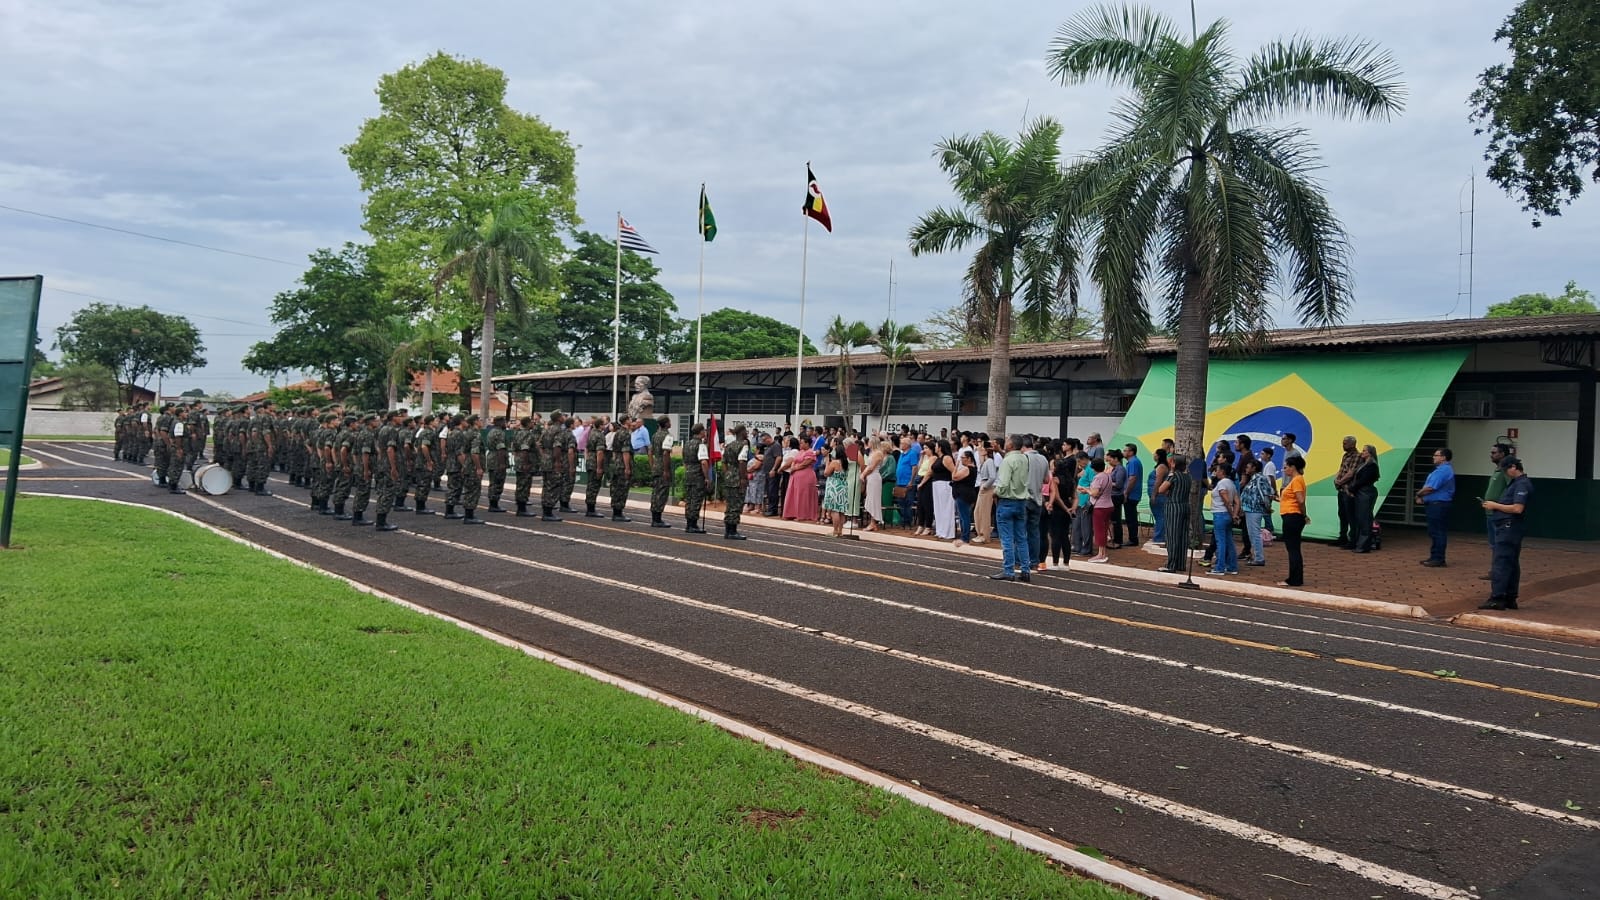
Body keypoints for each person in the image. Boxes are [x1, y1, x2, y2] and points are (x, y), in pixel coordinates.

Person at [1480, 457, 1532, 610]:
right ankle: (1510, 597)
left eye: (1506, 470)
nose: (1506, 474)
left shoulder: (1522, 484)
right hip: (1510, 527)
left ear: (1514, 467)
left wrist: (1494, 505)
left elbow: (1517, 508)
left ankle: (1497, 597)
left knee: (1501, 562)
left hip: (1509, 527)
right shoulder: (1516, 483)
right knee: (1511, 563)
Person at [989, 435, 1032, 582]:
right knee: (1021, 538)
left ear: (1011, 445)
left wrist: (995, 493)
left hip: (1007, 501)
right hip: (1021, 501)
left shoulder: (1008, 460)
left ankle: (1009, 570)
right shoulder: (1024, 459)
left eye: (1007, 441)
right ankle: (1025, 570)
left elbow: (1003, 483)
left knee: (1007, 538)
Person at [1416, 448, 1455, 567]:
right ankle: (1434, 556)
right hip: (1435, 504)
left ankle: (1438, 558)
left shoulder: (1443, 471)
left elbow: (1430, 488)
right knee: (1434, 532)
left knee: (1438, 532)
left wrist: (1418, 494)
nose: (1434, 457)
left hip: (1438, 504)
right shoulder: (1440, 470)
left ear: (1443, 457)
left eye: (1436, 455)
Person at [1481, 443, 1514, 578]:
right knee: (1493, 544)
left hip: (1499, 513)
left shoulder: (1506, 471)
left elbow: (1511, 489)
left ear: (1503, 454)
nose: (1491, 455)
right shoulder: (1497, 470)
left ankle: (1500, 571)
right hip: (1490, 513)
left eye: (1494, 453)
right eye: (1491, 452)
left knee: (1499, 544)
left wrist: (1500, 505)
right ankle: (1496, 570)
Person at [1158, 454, 1193, 574]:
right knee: (1182, 536)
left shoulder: (1174, 475)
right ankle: (1180, 564)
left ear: (1174, 463)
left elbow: (1161, 489)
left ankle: (1171, 565)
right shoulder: (1187, 476)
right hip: (1185, 506)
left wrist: (1171, 472)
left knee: (1172, 536)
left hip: (1174, 506)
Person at [1277, 456, 1309, 587]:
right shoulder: (1296, 480)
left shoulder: (1296, 480)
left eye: (1286, 467)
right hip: (1291, 515)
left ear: (1293, 467)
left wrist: (1304, 514)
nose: (1284, 470)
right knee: (1293, 548)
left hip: (1292, 516)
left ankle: (1294, 579)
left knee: (1293, 549)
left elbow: (1300, 500)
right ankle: (1295, 577)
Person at [539, 411, 575, 521]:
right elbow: (557, 447)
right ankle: (548, 513)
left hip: (546, 460)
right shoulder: (559, 430)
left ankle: (546, 510)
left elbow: (539, 444)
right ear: (558, 418)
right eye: (562, 416)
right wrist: (557, 462)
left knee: (546, 486)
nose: (564, 417)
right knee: (553, 486)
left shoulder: (547, 429)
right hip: (554, 461)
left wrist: (545, 456)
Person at [1238, 457, 1273, 566]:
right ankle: (1257, 555)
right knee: (1252, 533)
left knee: (1255, 533)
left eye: (1248, 467)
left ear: (1254, 468)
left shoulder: (1260, 478)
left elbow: (1267, 493)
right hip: (1250, 509)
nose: (1246, 469)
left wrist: (1267, 506)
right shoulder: (1253, 478)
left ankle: (1259, 557)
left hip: (1255, 509)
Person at [1207, 461, 1240, 575]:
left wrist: (1232, 513)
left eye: (1217, 470)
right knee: (1229, 541)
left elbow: (1227, 501)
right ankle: (1232, 566)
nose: (1216, 472)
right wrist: (1234, 515)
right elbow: (1237, 501)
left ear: (1222, 471)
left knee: (1220, 541)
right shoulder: (1231, 483)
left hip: (1220, 514)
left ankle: (1219, 567)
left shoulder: (1222, 484)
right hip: (1227, 515)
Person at [720, 425, 752, 539]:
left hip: (729, 477)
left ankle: (728, 530)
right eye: (745, 431)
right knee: (736, 505)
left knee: (729, 504)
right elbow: (742, 462)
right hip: (738, 477)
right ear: (742, 432)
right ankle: (733, 531)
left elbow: (723, 462)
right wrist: (743, 478)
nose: (746, 433)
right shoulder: (744, 445)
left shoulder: (729, 446)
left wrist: (727, 473)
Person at [1349, 444, 1380, 552]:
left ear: (1369, 453)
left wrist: (1352, 488)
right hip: (1361, 492)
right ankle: (1360, 543)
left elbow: (1363, 480)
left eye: (1364, 451)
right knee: (1360, 517)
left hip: (1366, 492)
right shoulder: (1364, 464)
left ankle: (1364, 545)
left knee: (1365, 518)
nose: (1362, 452)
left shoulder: (1371, 465)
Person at [782, 437, 819, 522]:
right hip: (795, 476)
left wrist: (795, 468)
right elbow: (794, 461)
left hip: (806, 475)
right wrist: (792, 467)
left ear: (807, 443)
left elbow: (805, 463)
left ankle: (802, 515)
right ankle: (791, 513)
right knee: (793, 494)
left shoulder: (810, 452)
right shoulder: (800, 452)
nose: (800, 444)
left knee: (802, 495)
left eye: (802, 443)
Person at [1333, 435, 1360, 548]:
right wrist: (1336, 479)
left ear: (1352, 444)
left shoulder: (1357, 456)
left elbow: (1351, 473)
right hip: (1341, 490)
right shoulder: (1345, 456)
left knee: (1350, 515)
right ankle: (1342, 537)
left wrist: (1340, 481)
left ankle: (1352, 539)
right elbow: (1341, 470)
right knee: (1342, 514)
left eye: (1345, 443)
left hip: (1348, 490)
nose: (1343, 445)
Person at [682, 422, 709, 534]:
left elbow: (684, 460)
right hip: (697, 475)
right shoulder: (700, 445)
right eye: (704, 430)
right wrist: (707, 477)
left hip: (688, 473)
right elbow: (703, 462)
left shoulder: (687, 444)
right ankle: (693, 524)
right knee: (696, 500)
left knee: (689, 499)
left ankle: (689, 523)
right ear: (701, 432)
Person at [649, 415, 674, 528]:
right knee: (662, 493)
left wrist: (652, 465)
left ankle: (654, 517)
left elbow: (650, 452)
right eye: (669, 421)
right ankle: (657, 519)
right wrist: (666, 470)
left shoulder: (655, 435)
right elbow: (666, 453)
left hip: (656, 465)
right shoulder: (667, 436)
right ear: (666, 424)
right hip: (662, 466)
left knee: (655, 492)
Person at [821, 443, 851, 538]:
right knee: (841, 511)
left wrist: (827, 463)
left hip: (834, 487)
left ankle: (835, 530)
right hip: (843, 487)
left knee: (834, 510)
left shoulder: (835, 462)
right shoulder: (846, 463)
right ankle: (840, 531)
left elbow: (826, 473)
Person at [608, 416, 634, 523]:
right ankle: (618, 513)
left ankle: (616, 511)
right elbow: (625, 452)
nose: (631, 421)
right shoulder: (625, 433)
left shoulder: (617, 433)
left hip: (617, 463)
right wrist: (627, 467)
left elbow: (614, 451)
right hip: (622, 464)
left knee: (616, 487)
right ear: (626, 421)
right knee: (622, 488)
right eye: (630, 419)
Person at [973, 439, 997, 544]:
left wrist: (985, 486)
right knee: (978, 511)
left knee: (984, 512)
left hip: (986, 487)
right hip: (983, 485)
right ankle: (980, 533)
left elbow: (992, 477)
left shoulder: (990, 461)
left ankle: (984, 535)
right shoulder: (986, 462)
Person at [895, 434, 921, 530]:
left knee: (908, 503)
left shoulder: (912, 453)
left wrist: (911, 481)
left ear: (907, 444)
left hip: (907, 481)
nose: (901, 444)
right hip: (900, 482)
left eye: (902, 443)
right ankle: (902, 520)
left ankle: (907, 521)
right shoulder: (902, 454)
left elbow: (914, 467)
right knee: (900, 502)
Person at [1121, 443, 1143, 548]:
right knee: (1130, 516)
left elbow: (1132, 478)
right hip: (1133, 493)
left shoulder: (1133, 462)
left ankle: (1133, 539)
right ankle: (1132, 538)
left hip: (1132, 494)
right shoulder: (1132, 462)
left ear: (1131, 452)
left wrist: (1126, 492)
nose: (1123, 452)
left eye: (1125, 450)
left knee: (1131, 517)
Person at [485, 416, 509, 513]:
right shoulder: (499, 433)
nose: (505, 424)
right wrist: (502, 463)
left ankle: (492, 503)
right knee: (498, 482)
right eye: (504, 421)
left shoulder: (491, 431)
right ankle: (494, 504)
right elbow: (500, 448)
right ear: (500, 422)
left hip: (491, 457)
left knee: (493, 482)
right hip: (497, 459)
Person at [1148, 448, 1169, 546]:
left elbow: (1158, 481)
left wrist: (1154, 494)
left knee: (1160, 516)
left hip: (1159, 495)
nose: (1153, 455)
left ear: (1158, 456)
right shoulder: (1160, 466)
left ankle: (1159, 537)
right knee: (1159, 516)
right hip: (1157, 494)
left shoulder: (1161, 467)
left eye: (1155, 454)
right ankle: (1159, 536)